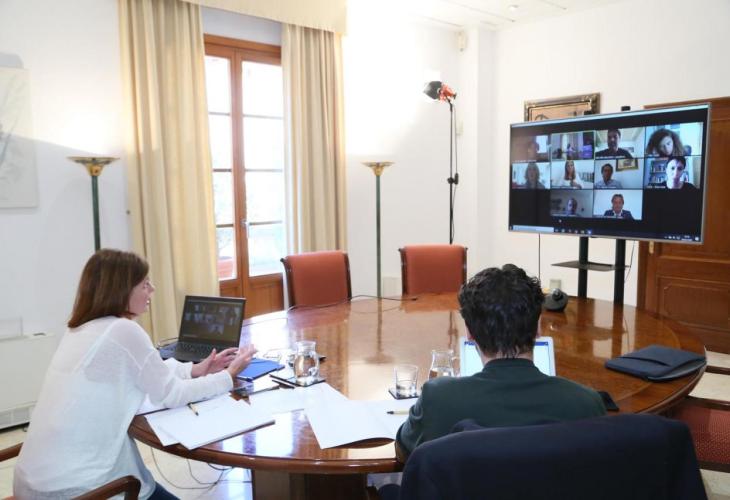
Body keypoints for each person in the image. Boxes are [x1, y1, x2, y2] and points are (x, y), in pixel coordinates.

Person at [14, 249, 257, 500]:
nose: (152, 289)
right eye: (144, 284)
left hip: (32, 483)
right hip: (78, 490)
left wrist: (194, 369)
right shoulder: (123, 330)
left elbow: (146, 371)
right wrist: (228, 375)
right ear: (122, 290)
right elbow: (172, 394)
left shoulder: (81, 329)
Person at [395, 264, 606, 460]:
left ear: (469, 332)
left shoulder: (439, 399)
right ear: (538, 327)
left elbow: (404, 453)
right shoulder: (586, 403)